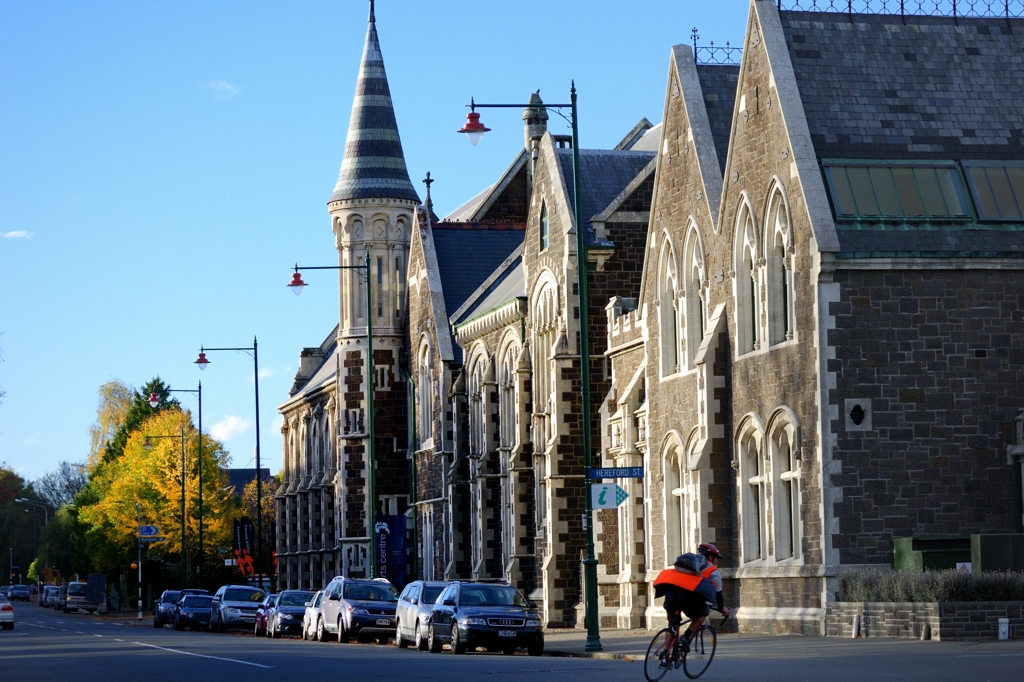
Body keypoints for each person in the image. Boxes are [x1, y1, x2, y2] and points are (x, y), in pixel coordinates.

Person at [652, 552, 718, 652]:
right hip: (686, 602)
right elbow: (710, 595)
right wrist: (713, 605)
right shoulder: (700, 581)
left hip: (670, 601)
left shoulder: (671, 575)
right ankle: (686, 637)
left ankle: (665, 654)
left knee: (672, 627)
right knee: (703, 613)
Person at [697, 542, 731, 620]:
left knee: (673, 627)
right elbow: (718, 594)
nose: (716, 562)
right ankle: (689, 632)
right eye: (716, 558)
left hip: (672, 595)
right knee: (701, 615)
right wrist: (722, 608)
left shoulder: (691, 566)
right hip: (691, 601)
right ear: (711, 557)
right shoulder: (712, 571)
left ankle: (671, 631)